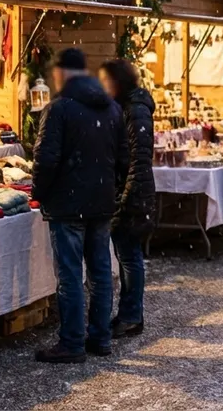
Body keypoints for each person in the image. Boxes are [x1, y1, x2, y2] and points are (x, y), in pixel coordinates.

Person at [32, 48, 121, 363]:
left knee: (70, 275)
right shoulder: (111, 108)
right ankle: (100, 337)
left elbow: (46, 158)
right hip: (101, 203)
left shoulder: (59, 109)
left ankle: (72, 343)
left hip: (68, 206)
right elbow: (121, 158)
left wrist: (39, 192)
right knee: (100, 272)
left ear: (62, 74)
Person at [98, 60, 156, 339]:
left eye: (105, 81)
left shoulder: (135, 110)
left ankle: (132, 316)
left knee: (130, 257)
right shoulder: (127, 107)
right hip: (127, 190)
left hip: (132, 193)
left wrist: (125, 197)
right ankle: (128, 313)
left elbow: (138, 159)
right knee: (126, 256)